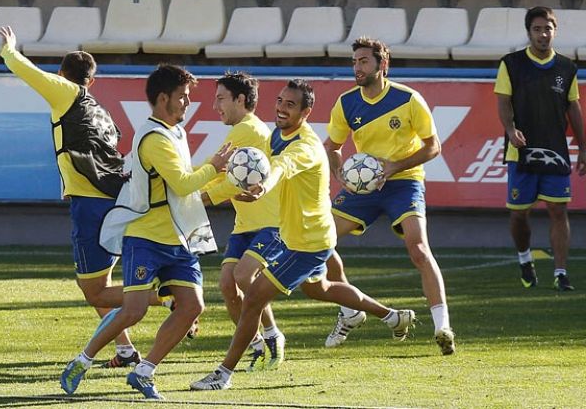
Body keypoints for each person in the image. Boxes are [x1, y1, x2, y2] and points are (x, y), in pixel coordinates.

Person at [190, 79, 416, 391]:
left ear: (306, 112)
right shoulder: (276, 136)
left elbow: (280, 168)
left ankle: (223, 374)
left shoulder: (306, 147)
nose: (281, 108)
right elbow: (263, 168)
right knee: (320, 288)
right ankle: (393, 316)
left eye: (290, 105)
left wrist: (262, 188)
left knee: (253, 297)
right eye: (280, 101)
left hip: (306, 242)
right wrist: (224, 193)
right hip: (302, 234)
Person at [60, 64, 233, 400]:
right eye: (183, 97)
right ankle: (82, 361)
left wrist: (223, 179)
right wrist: (217, 166)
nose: (187, 103)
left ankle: (144, 370)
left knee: (192, 305)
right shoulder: (153, 138)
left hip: (176, 237)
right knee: (133, 309)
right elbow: (183, 183)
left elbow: (183, 181)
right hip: (146, 238)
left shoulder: (175, 133)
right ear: (163, 98)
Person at [0, 26, 152, 368]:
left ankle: (167, 296)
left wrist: (10, 49)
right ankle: (125, 350)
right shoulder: (101, 111)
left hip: (91, 204)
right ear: (92, 81)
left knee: (93, 290)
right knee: (102, 283)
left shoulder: (66, 93)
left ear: (63, 76)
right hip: (113, 198)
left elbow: (28, 72)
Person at [322, 37, 455, 356]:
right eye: (354, 62)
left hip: (404, 182)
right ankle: (350, 311)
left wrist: (395, 166)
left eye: (364, 61)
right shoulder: (346, 103)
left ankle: (442, 327)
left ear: (382, 65)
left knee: (419, 248)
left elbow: (433, 146)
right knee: (317, 239)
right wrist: (340, 175)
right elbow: (332, 147)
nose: (357, 67)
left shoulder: (408, 99)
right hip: (363, 188)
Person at [495, 6, 586, 291]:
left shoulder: (566, 67)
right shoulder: (511, 63)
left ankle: (560, 272)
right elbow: (503, 101)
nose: (543, 34)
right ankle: (525, 259)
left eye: (547, 29)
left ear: (554, 31)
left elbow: (574, 107)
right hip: (520, 152)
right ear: (529, 32)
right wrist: (510, 130)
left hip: (555, 150)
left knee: (559, 211)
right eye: (537, 29)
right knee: (519, 213)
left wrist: (583, 147)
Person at [201, 71, 286, 371]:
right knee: (227, 284)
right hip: (245, 224)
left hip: (270, 223)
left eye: (221, 98)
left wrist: (197, 197)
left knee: (242, 276)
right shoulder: (241, 130)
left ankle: (273, 336)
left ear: (240, 99)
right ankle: (255, 344)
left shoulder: (248, 131)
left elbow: (229, 183)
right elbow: (217, 170)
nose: (215, 106)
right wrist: (186, 184)